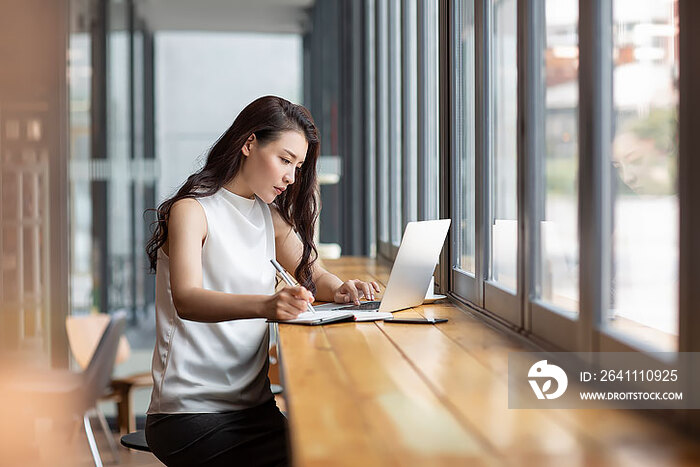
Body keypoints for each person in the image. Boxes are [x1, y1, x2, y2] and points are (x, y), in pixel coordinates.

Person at [143, 95, 380, 467]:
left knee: (334, 448)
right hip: (189, 413)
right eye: (285, 160)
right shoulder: (192, 211)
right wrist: (267, 306)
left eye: (298, 167)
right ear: (249, 143)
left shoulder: (268, 216)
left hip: (254, 408)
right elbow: (187, 299)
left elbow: (313, 272)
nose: (291, 177)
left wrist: (342, 288)